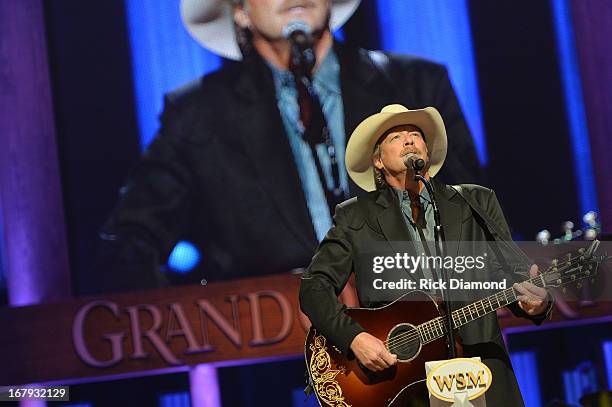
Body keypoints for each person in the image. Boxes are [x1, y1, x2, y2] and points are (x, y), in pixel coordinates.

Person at [96, 0, 482, 291]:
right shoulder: (198, 114)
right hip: (276, 368)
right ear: (239, 11)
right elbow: (130, 242)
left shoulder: (415, 86)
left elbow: (474, 220)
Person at [299, 104, 553, 406]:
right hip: (404, 385)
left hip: (480, 372)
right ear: (378, 161)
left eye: (415, 135)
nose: (408, 140)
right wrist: (354, 338)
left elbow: (516, 277)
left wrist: (536, 303)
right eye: (396, 137)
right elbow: (314, 287)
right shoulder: (356, 216)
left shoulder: (476, 201)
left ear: (427, 153)